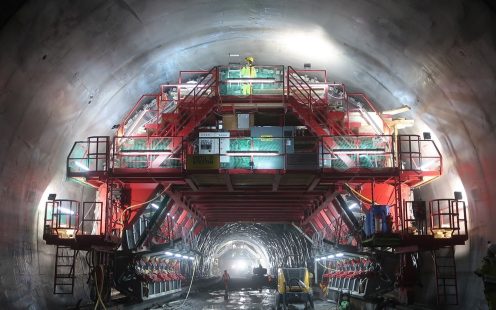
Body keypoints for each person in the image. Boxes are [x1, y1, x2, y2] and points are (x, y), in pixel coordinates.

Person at [475, 242, 496, 309]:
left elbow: (480, 271)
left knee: (492, 305)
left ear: (489, 251)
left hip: (490, 288)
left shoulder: (487, 261)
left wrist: (477, 271)